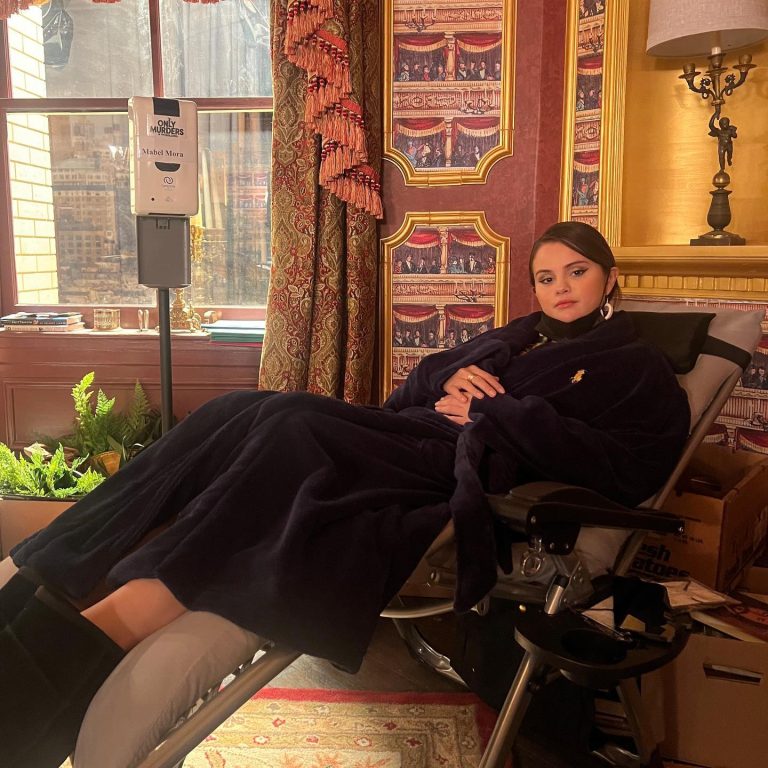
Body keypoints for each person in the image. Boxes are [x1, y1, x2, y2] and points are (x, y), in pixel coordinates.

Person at [0, 222, 691, 768]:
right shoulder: (519, 338)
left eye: (577, 271)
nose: (561, 287)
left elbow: (626, 466)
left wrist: (496, 412)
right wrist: (448, 383)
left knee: (293, 427)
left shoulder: (636, 367)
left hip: (448, 467)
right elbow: (412, 389)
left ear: (610, 278)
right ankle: (58, 560)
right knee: (241, 406)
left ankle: (105, 626)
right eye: (546, 277)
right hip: (409, 432)